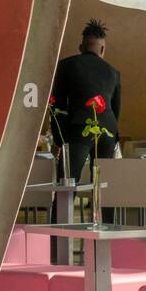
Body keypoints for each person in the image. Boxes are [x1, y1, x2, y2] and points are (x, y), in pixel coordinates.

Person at [52, 18, 122, 183]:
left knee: (67, 186)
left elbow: (58, 104)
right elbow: (116, 108)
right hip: (107, 132)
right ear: (103, 49)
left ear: (81, 47)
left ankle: (61, 210)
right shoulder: (113, 72)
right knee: (103, 189)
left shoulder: (66, 65)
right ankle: (102, 210)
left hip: (78, 129)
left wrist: (58, 139)